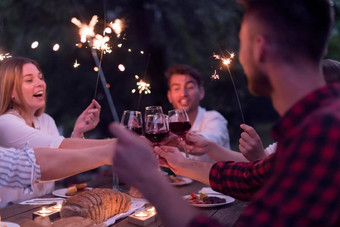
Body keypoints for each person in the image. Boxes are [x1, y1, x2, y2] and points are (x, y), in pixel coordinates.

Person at [110, 0, 340, 226]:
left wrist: (150, 181)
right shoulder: (312, 127)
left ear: (261, 49)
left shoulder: (322, 134)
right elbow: (250, 179)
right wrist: (178, 163)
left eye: (241, 43)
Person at [0, 57, 115, 205]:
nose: (40, 83)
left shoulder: (46, 120)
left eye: (40, 78)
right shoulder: (5, 124)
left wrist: (77, 134)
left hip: (45, 208)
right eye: (29, 80)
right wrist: (120, 145)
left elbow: (61, 165)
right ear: (11, 92)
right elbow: (51, 155)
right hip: (13, 216)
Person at [165, 64, 248, 162]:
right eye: (176, 88)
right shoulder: (166, 125)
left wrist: (179, 142)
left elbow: (211, 138)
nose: (183, 94)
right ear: (169, 96)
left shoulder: (214, 118)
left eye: (190, 87)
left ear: (201, 92)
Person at [0, 141, 115, 208]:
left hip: (45, 204)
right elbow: (28, 164)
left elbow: (61, 151)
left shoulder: (47, 120)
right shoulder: (7, 122)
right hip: (16, 209)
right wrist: (108, 151)